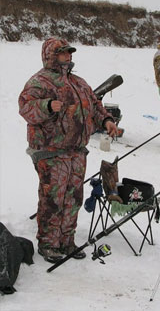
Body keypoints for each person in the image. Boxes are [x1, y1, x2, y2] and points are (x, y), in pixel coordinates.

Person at [18, 38, 118, 263]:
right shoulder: (39, 81)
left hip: (76, 151)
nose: (68, 56)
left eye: (69, 53)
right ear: (51, 55)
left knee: (74, 198)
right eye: (63, 53)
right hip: (51, 151)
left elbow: (95, 106)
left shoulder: (79, 82)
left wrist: (107, 122)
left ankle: (66, 240)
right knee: (54, 197)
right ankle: (48, 243)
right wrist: (46, 106)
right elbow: (25, 108)